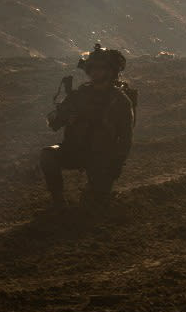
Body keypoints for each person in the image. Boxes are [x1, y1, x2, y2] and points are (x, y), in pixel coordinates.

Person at [41, 43, 136, 210]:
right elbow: (55, 122)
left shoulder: (120, 101)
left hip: (102, 158)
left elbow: (126, 137)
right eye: (93, 68)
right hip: (75, 150)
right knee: (48, 155)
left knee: (93, 205)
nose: (95, 72)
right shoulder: (79, 95)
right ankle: (58, 202)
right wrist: (64, 114)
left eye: (100, 68)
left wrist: (116, 164)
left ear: (110, 71)